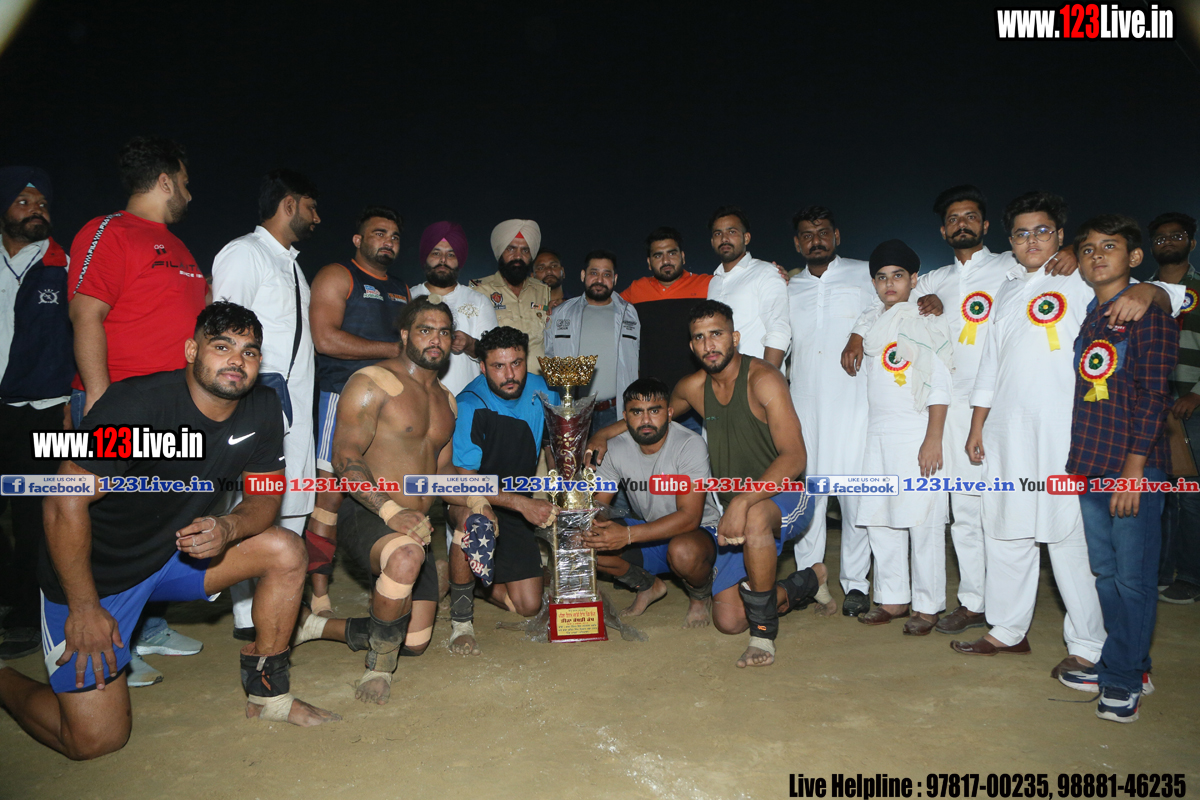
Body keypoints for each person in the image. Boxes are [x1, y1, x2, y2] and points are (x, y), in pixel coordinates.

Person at [0, 303, 340, 760]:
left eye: (249, 352)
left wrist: (228, 525)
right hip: (97, 577)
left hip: (172, 556)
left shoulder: (261, 407)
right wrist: (83, 607)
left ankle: (268, 696)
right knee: (94, 740)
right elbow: (63, 501)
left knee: (285, 549)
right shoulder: (137, 404)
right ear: (191, 350)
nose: (237, 360)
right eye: (222, 347)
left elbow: (265, 496)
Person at [956, 192, 1181, 681]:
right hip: (1006, 432)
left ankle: (1087, 643)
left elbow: (1169, 296)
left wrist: (1151, 291)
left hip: (1067, 432)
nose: (1032, 241)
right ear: (1010, 240)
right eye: (1021, 233)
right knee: (1005, 529)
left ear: (1060, 236)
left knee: (1069, 538)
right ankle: (1007, 629)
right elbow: (991, 363)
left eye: (1042, 231)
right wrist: (977, 425)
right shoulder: (1006, 290)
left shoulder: (1081, 274)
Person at [590, 300, 821, 668]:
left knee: (755, 516)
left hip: (785, 493)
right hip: (734, 505)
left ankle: (763, 635)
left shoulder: (764, 379)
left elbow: (794, 457)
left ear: (735, 337)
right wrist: (604, 433)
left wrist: (743, 502)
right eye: (699, 337)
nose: (709, 344)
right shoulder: (693, 387)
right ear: (691, 346)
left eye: (716, 334)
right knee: (728, 621)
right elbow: (654, 414)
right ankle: (808, 581)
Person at [290, 297, 496, 704]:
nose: (435, 339)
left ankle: (314, 626)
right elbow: (344, 458)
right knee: (404, 556)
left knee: (415, 642)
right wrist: (390, 510)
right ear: (404, 335)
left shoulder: (447, 401)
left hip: (415, 527)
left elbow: (442, 474)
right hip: (368, 510)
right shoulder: (372, 381)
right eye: (425, 330)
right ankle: (379, 668)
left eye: (443, 332)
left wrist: (479, 501)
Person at [66, 136, 206, 686]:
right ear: (166, 180)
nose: (190, 194)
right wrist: (102, 407)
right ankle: (110, 638)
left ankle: (148, 626)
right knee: (109, 524)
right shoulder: (109, 231)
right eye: (186, 183)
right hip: (120, 406)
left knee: (156, 520)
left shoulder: (179, 246)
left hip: (172, 411)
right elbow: (86, 316)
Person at [1054, 215, 1177, 723]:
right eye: (1088, 249)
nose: (1097, 256)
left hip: (1134, 470)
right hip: (1091, 464)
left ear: (1135, 257)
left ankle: (1123, 681)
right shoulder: (1092, 318)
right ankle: (1129, 664)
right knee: (1106, 573)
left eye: (1110, 246)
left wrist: (1134, 470)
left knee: (1133, 579)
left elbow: (1154, 397)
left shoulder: (1150, 316)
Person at [212, 169, 320, 639]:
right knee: (249, 505)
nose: (317, 218)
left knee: (293, 500)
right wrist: (242, 402)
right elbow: (221, 336)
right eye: (311, 207)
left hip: (295, 411)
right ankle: (246, 618)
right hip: (257, 407)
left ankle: (280, 603)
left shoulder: (292, 265)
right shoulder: (245, 253)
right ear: (289, 204)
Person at [306, 206, 410, 615]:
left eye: (395, 236)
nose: (388, 241)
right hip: (341, 397)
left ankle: (381, 581)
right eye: (379, 233)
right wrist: (394, 350)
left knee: (384, 493)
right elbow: (325, 339)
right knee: (329, 496)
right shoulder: (338, 275)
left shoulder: (402, 289)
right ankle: (318, 593)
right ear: (358, 240)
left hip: (387, 403)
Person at [853, 240, 953, 634]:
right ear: (873, 283)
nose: (890, 283)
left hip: (916, 432)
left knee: (923, 523)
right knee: (880, 519)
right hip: (878, 434)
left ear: (914, 279)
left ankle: (928, 606)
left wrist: (933, 438)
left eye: (898, 275)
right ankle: (893, 598)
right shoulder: (871, 324)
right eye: (881, 277)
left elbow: (940, 382)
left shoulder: (926, 319)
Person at [445, 326, 560, 655]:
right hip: (477, 499)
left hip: (518, 503)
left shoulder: (543, 389)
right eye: (498, 366)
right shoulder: (469, 404)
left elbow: (552, 443)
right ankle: (461, 620)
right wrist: (522, 505)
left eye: (517, 363)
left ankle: (458, 574)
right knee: (473, 520)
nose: (510, 375)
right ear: (482, 366)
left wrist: (563, 486)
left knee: (527, 606)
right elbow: (465, 480)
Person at [784, 206, 875, 617]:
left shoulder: (864, 272)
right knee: (812, 495)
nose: (815, 240)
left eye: (823, 232)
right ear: (797, 243)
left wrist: (858, 334)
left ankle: (856, 584)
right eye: (807, 234)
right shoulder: (789, 286)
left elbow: (892, 301)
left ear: (836, 236)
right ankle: (810, 580)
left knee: (855, 495)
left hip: (854, 402)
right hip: (803, 404)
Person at [0, 167, 73, 660]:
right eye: (24, 202)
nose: (36, 210)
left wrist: (71, 402)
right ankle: (12, 592)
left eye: (43, 203)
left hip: (43, 411)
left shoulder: (63, 264)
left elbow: (85, 332)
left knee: (33, 518)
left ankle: (28, 615)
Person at [585, 378, 719, 627]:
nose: (646, 420)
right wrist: (593, 525)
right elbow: (600, 506)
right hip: (650, 532)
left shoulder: (689, 444)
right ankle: (647, 585)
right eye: (637, 412)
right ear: (625, 416)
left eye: (654, 411)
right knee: (583, 541)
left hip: (699, 533)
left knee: (683, 551)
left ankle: (700, 595)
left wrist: (626, 535)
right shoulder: (614, 448)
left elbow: (689, 518)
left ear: (669, 413)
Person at [1145, 211, 1200, 605]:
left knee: (1190, 495)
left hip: (1192, 406)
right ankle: (1161, 572)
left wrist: (1197, 393)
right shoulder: (1143, 291)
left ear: (1191, 243)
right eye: (1161, 238)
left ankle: (1191, 577)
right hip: (1154, 405)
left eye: (1177, 236)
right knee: (1159, 493)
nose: (1168, 242)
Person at [620, 227, 711, 432]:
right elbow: (603, 306)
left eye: (672, 253)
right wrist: (560, 302)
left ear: (683, 256)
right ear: (649, 262)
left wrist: (779, 276)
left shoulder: (707, 285)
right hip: (653, 402)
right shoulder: (636, 290)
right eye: (658, 255)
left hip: (695, 402)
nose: (666, 260)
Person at [544, 249, 640, 431]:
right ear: (583, 275)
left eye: (607, 274)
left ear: (615, 279)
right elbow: (548, 356)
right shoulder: (561, 313)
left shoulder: (629, 313)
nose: (599, 280)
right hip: (573, 410)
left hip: (616, 412)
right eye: (594, 273)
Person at [409, 221, 498, 395]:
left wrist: (470, 344)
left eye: (451, 255)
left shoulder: (479, 301)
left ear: (459, 260)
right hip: (414, 399)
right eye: (436, 253)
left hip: (465, 401)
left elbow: (495, 355)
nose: (443, 260)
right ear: (425, 257)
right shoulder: (408, 297)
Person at [705, 206, 790, 368]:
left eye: (731, 232)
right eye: (718, 234)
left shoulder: (765, 272)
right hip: (721, 377)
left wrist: (766, 377)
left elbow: (779, 330)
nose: (724, 238)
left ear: (746, 238)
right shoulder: (714, 282)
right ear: (712, 242)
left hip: (754, 375)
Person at [471, 219, 551, 375]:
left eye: (525, 250)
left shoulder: (543, 291)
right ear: (501, 252)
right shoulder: (480, 291)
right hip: (499, 383)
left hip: (540, 383)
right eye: (511, 249)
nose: (518, 256)